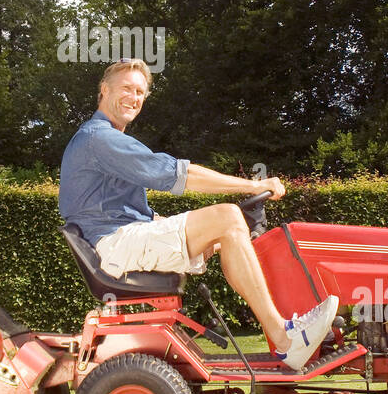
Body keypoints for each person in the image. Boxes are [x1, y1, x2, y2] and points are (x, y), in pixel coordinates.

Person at [58, 58, 337, 369]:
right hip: (112, 246)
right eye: (126, 88)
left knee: (230, 230)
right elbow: (179, 175)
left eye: (140, 92)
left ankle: (288, 329)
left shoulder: (105, 140)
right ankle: (286, 340)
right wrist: (252, 185)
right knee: (228, 217)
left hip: (117, 240)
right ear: (104, 90)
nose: (133, 98)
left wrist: (212, 237)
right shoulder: (100, 138)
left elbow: (129, 213)